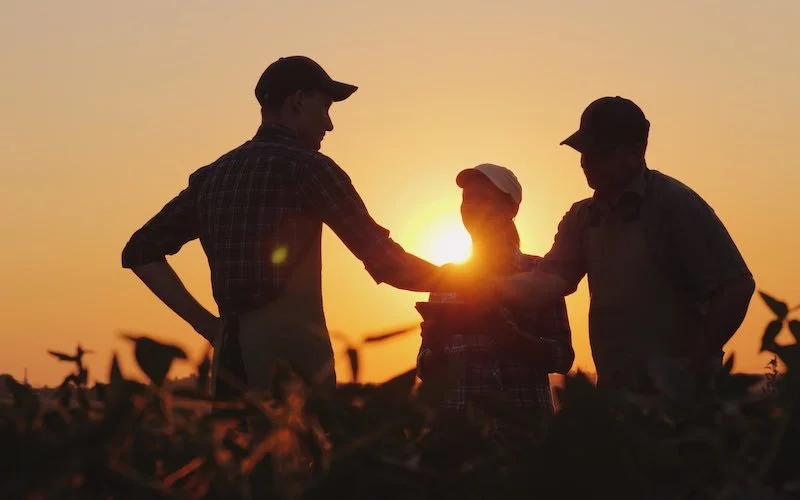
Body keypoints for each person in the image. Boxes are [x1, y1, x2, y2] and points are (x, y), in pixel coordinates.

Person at [121, 56, 447, 399]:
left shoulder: (212, 177)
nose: (330, 124)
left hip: (230, 371)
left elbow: (141, 251)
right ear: (298, 100)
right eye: (325, 107)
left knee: (235, 452)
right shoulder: (308, 168)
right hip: (296, 378)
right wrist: (469, 283)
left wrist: (207, 327)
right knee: (301, 452)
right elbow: (388, 263)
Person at [486, 97, 755, 396]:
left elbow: (736, 287)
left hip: (684, 405)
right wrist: (484, 287)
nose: (587, 161)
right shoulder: (583, 217)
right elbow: (549, 280)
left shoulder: (674, 204)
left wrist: (691, 365)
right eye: (584, 151)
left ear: (637, 151)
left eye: (600, 152)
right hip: (617, 400)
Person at [416, 163, 574, 417]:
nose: (473, 207)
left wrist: (513, 338)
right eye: (468, 199)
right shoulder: (445, 278)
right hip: (458, 430)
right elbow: (426, 369)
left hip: (523, 427)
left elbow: (562, 357)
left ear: (510, 209)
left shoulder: (539, 274)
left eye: (484, 198)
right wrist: (435, 343)